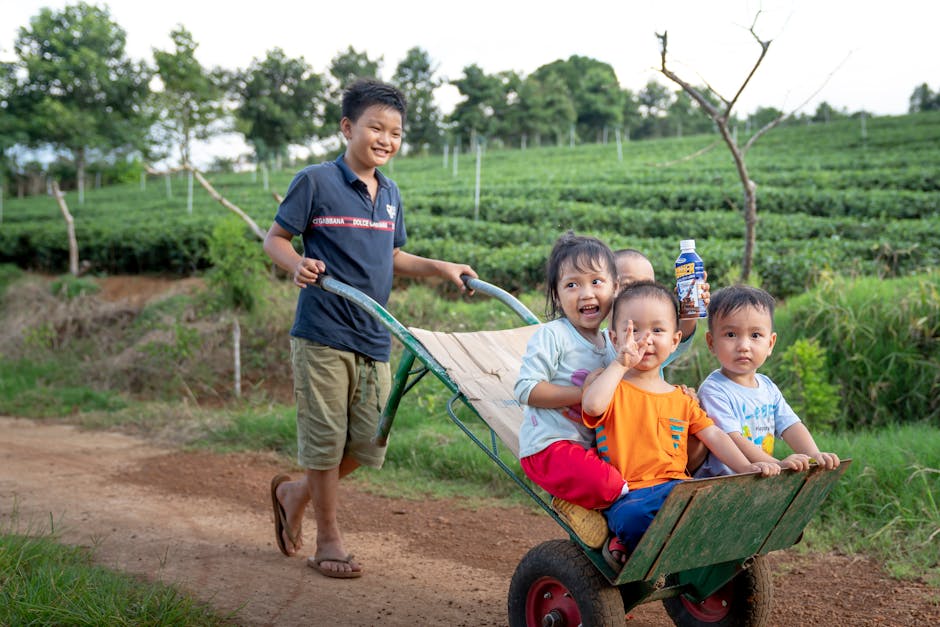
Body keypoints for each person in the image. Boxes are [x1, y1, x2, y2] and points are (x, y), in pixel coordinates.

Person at [263, 78, 476, 579]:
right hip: (322, 332)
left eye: (395, 132)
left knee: (368, 445)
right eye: (375, 127)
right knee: (324, 439)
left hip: (373, 335)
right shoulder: (315, 181)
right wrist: (295, 263)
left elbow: (393, 255)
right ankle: (328, 538)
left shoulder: (391, 194)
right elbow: (276, 239)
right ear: (347, 128)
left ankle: (295, 493)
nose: (385, 139)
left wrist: (441, 266)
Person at [581, 281, 781, 564]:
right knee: (631, 517)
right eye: (633, 330)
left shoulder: (681, 398)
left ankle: (684, 548)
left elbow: (716, 437)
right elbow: (591, 405)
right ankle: (636, 542)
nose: (645, 339)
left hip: (678, 489)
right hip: (632, 495)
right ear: (614, 338)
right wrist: (620, 364)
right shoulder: (611, 386)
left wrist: (746, 468)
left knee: (710, 497)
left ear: (675, 341)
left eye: (657, 330)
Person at [513, 232, 628, 548]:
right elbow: (526, 389)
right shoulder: (553, 335)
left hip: (591, 448)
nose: (585, 293)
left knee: (640, 476)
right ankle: (571, 503)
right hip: (551, 447)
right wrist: (582, 394)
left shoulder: (612, 344)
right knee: (613, 485)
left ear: (615, 287)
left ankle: (618, 540)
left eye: (596, 282)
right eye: (572, 285)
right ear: (557, 294)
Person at [694, 285, 841, 478]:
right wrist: (778, 464)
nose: (744, 346)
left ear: (770, 344)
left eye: (755, 335)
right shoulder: (713, 390)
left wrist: (814, 455)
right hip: (721, 481)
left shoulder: (767, 387)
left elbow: (791, 425)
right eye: (731, 335)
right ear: (711, 342)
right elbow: (733, 438)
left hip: (758, 477)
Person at [612, 247, 708, 471]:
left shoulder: (650, 344)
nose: (640, 293)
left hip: (658, 440)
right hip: (623, 447)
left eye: (648, 285)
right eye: (629, 285)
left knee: (700, 426)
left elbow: (678, 334)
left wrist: (690, 305)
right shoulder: (604, 345)